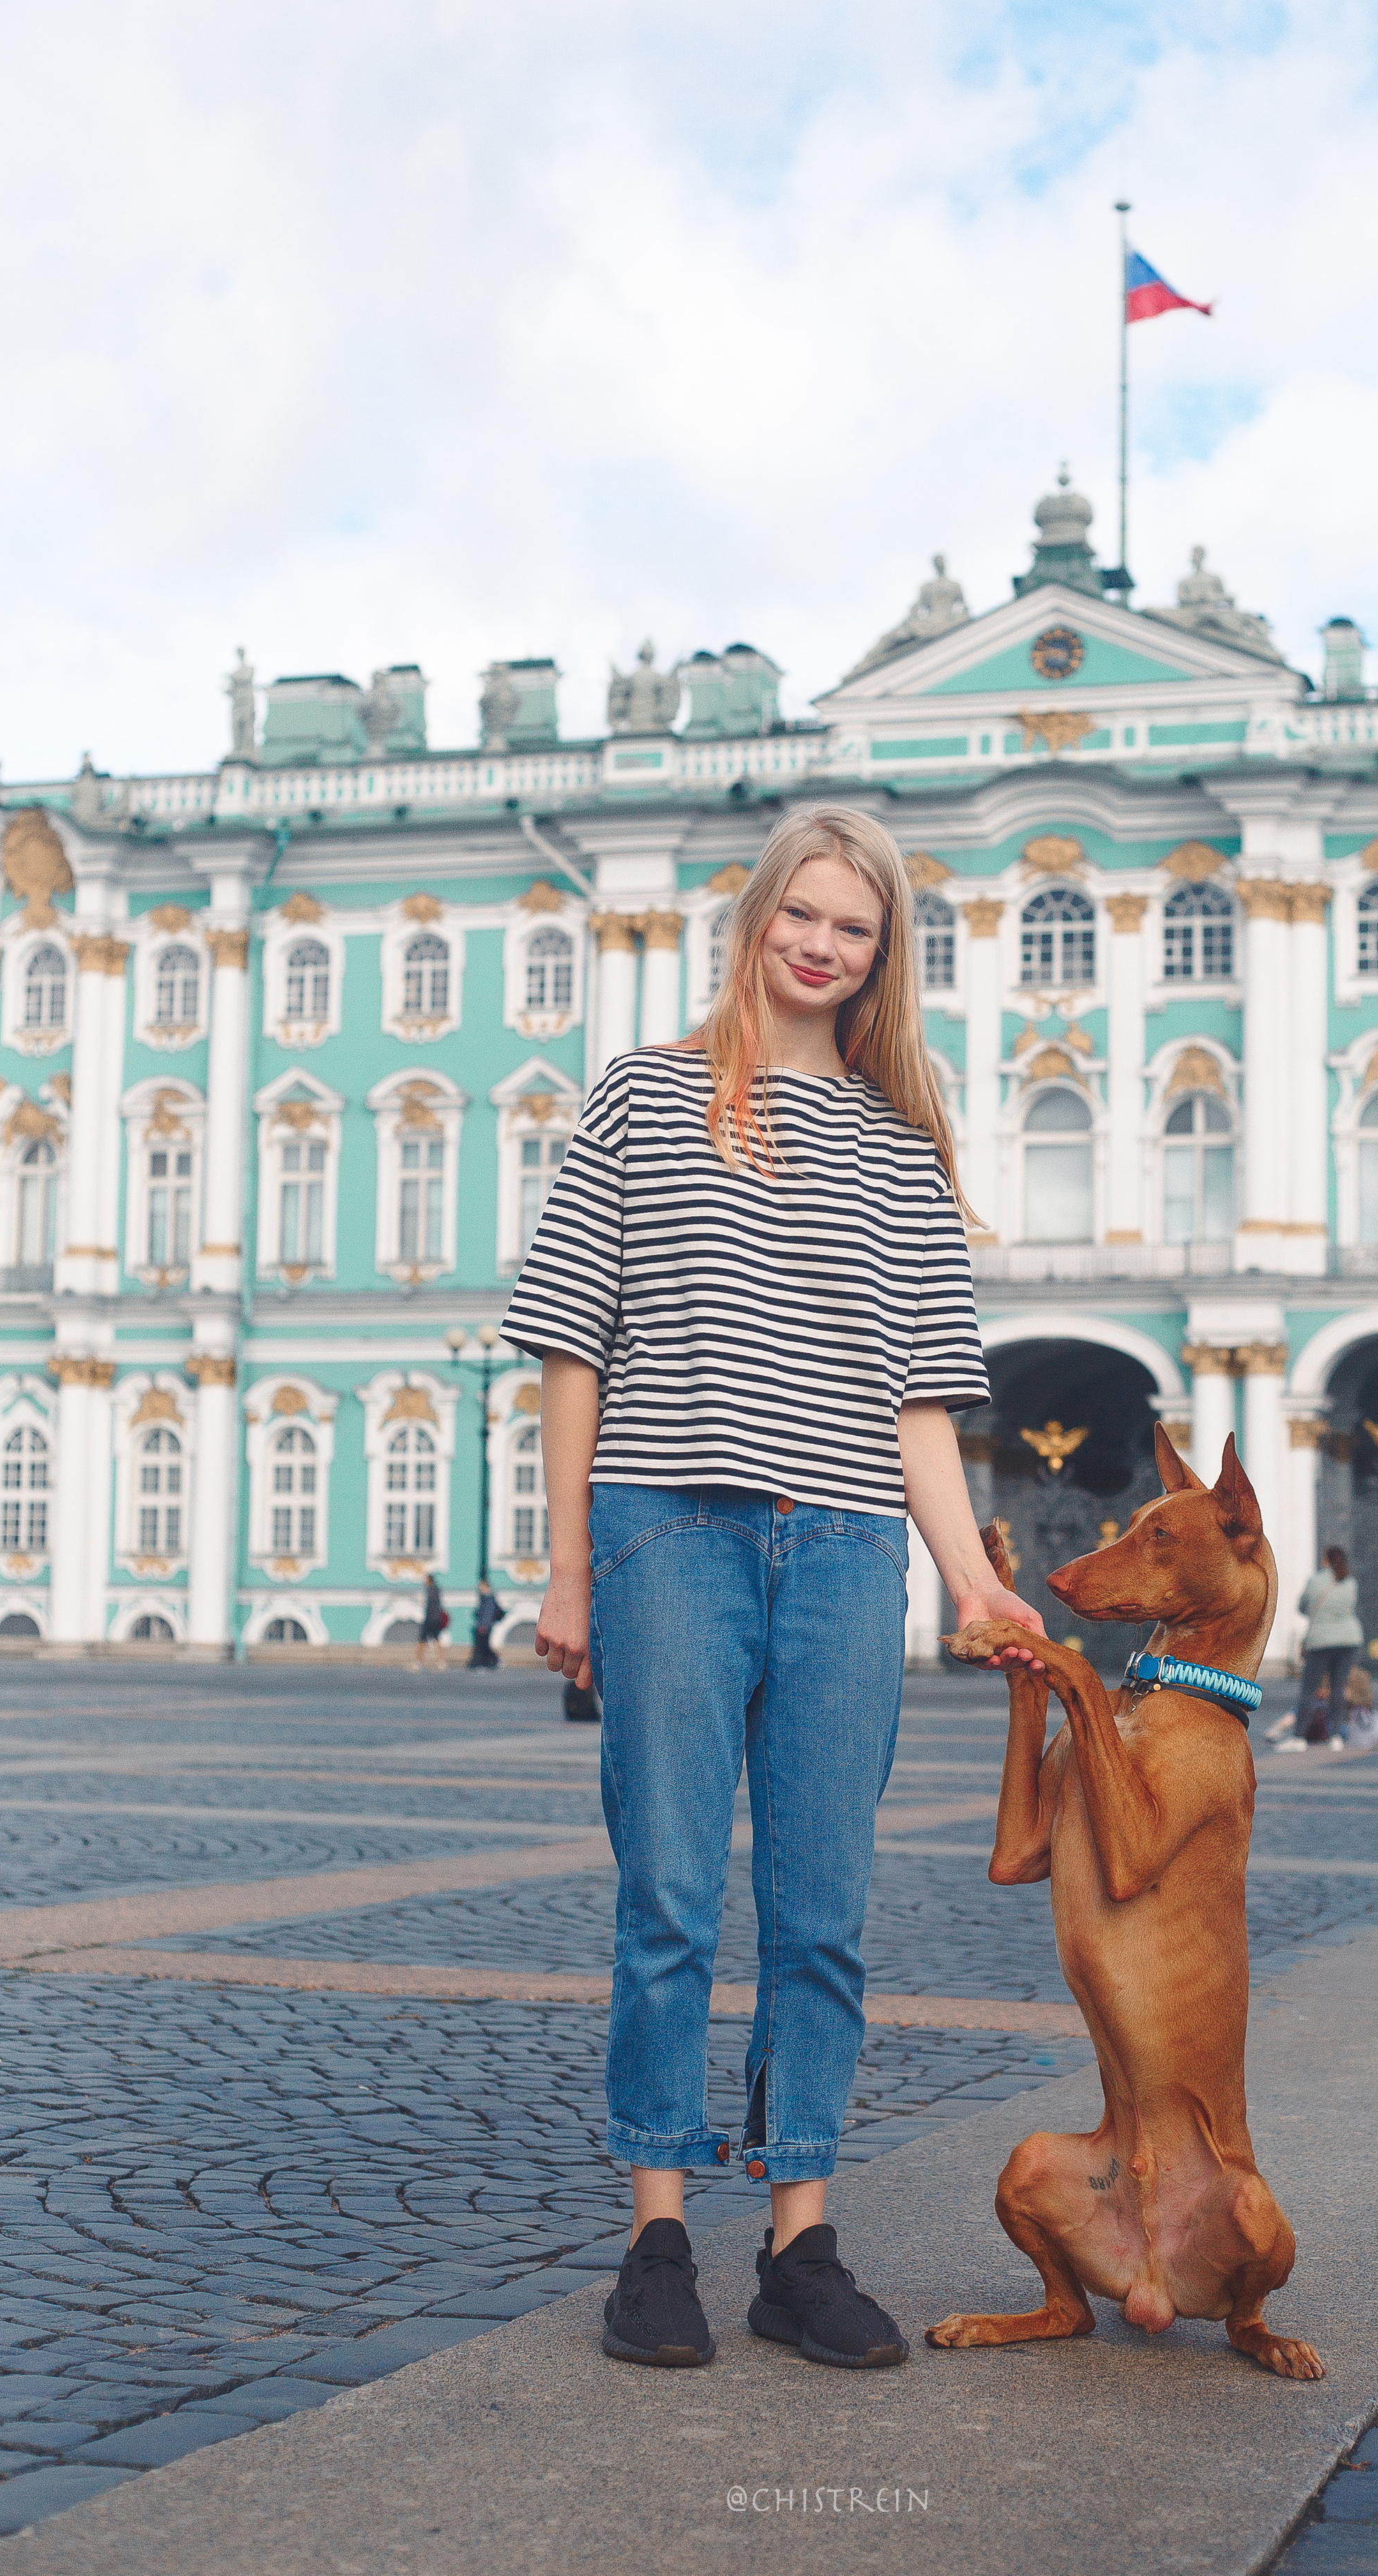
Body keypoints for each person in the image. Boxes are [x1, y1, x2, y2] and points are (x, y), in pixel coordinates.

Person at [500, 804, 1041, 2375]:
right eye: (798, 914)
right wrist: (568, 1568)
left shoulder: (898, 1146)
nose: (819, 944)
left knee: (822, 1915)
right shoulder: (643, 1098)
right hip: (672, 1530)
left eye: (851, 928)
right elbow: (570, 1347)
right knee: (665, 1895)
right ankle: (656, 2238)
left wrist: (968, 1584)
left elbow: (921, 1403)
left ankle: (799, 2244)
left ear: (881, 958)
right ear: (754, 922)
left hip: (845, 1553)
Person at [1267, 1546, 1362, 1752]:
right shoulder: (1351, 1583)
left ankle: (1300, 1737)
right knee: (1338, 1689)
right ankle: (1336, 1737)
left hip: (1320, 1642)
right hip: (1349, 1640)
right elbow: (1350, 1607)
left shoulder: (1316, 1581)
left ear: (1326, 1560)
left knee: (1309, 1691)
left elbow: (1302, 1607)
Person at [467, 1576, 501, 1670]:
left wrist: (484, 1625)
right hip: (483, 1625)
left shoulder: (488, 1598)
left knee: (483, 1646)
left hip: (485, 1626)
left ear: (485, 1586)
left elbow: (488, 1613)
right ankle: (492, 1662)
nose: (480, 1588)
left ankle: (489, 1662)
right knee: (484, 1645)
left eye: (481, 1586)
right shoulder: (485, 1597)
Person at [416, 1571, 448, 1670]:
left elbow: (432, 1607)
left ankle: (419, 1662)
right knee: (435, 1640)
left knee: (423, 1641)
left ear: (429, 1580)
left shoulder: (431, 1590)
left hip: (431, 1619)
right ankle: (441, 1661)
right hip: (434, 1619)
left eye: (426, 1579)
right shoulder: (436, 1590)